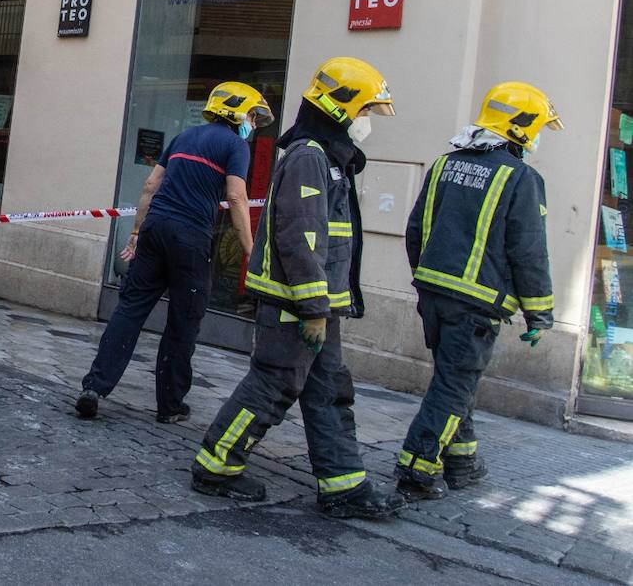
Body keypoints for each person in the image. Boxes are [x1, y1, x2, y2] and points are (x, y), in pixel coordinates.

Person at [190, 57, 405, 520]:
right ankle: (216, 464)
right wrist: (311, 306)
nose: (367, 121)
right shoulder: (310, 157)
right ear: (339, 106)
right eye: (365, 110)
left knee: (328, 389)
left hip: (315, 304)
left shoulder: (326, 158)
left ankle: (343, 483)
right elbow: (301, 236)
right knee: (272, 385)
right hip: (297, 305)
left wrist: (321, 306)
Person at [395, 83, 561, 501]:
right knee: (452, 387)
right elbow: (528, 251)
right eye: (537, 127)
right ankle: (416, 466)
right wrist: (540, 313)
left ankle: (463, 463)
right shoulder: (521, 177)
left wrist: (426, 279)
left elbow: (415, 231)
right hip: (476, 305)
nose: (539, 138)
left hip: (433, 295)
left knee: (453, 381)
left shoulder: (443, 165)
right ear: (519, 128)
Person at [74, 82, 274, 423]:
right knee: (183, 322)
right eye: (253, 118)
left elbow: (151, 186)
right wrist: (252, 253)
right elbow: (238, 198)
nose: (253, 126)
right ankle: (170, 407)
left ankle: (94, 387)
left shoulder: (182, 138)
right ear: (239, 113)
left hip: (155, 229)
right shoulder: (236, 146)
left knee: (130, 310)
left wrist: (136, 232)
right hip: (190, 237)